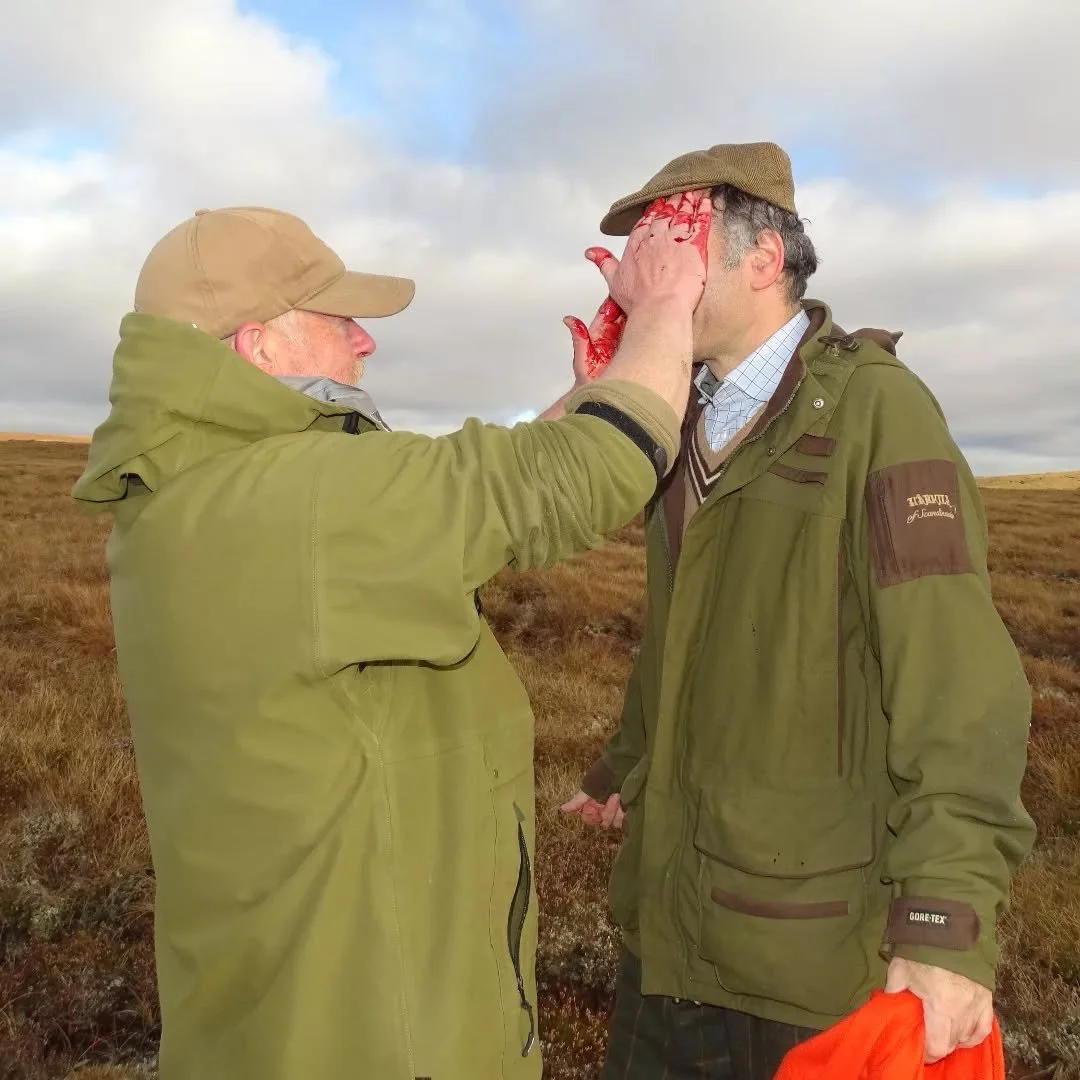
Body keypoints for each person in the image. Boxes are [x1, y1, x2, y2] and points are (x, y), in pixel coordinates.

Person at [71, 193, 712, 1080]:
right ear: (258, 344)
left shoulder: (191, 492)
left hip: (272, 1014)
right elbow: (588, 474)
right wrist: (665, 307)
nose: (364, 342)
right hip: (381, 1030)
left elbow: (443, 511)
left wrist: (595, 387)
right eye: (339, 321)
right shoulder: (303, 500)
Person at [560, 142, 1036, 1080]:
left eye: (669, 249)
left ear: (761, 261)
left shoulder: (875, 411)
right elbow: (684, 633)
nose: (636, 277)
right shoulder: (678, 418)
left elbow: (956, 683)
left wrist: (943, 923)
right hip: (666, 932)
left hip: (802, 962)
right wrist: (624, 766)